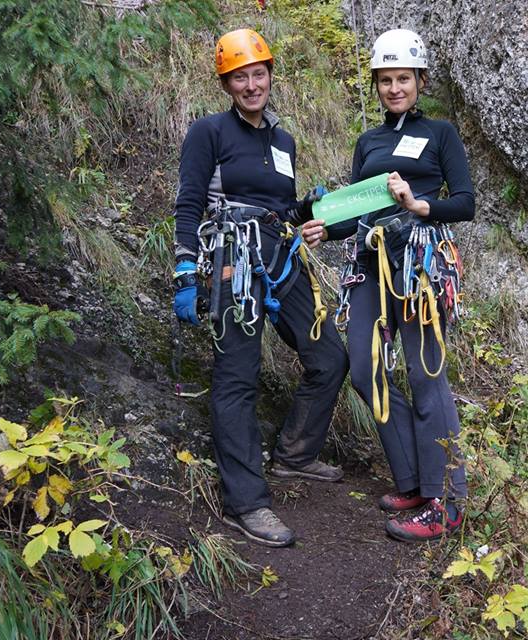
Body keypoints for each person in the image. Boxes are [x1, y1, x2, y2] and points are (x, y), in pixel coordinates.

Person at [172, 28, 349, 548]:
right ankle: (245, 501)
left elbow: (280, 208)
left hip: (279, 251)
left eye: (258, 74)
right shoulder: (210, 132)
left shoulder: (283, 140)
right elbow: (188, 204)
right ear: (227, 83)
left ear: (271, 74)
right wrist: (186, 271)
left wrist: (310, 208)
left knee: (328, 357)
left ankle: (295, 454)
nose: (251, 85)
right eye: (239, 77)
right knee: (237, 375)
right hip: (232, 256)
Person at [301, 29, 475, 541]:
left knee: (425, 376)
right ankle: (416, 482)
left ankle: (447, 501)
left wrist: (420, 205)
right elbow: (358, 208)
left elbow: (464, 202)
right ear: (376, 84)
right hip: (370, 261)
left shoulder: (441, 134)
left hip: (419, 259)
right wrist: (324, 228)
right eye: (385, 80)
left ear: (420, 80)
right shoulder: (369, 142)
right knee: (364, 368)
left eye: (403, 78)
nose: (394, 88)